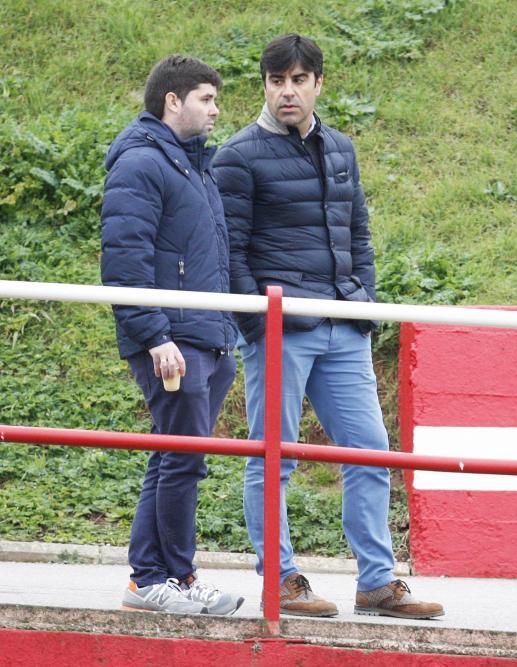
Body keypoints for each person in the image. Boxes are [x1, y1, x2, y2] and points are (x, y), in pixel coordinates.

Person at [214, 34, 444, 620]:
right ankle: (282, 579)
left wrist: (362, 301)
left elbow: (358, 234)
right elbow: (230, 251)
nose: (286, 91)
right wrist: (255, 320)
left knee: (371, 451)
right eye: (275, 80)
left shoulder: (340, 147)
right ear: (264, 85)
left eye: (297, 80)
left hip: (344, 323)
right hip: (281, 327)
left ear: (318, 83)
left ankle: (377, 583)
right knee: (273, 457)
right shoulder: (237, 156)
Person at [101, 55, 241, 616]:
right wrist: (156, 334)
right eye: (206, 98)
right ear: (172, 101)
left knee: (172, 456)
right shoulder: (142, 164)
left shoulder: (191, 165)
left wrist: (226, 330)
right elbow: (124, 259)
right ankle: (173, 577)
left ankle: (150, 581)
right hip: (173, 341)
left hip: (206, 336)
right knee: (181, 458)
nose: (215, 109)